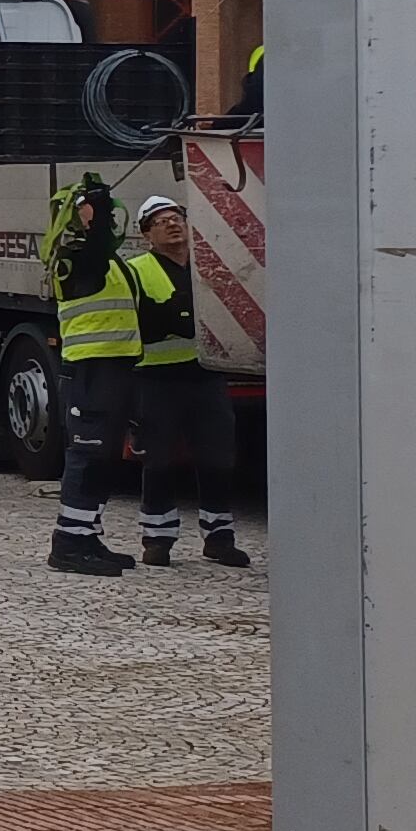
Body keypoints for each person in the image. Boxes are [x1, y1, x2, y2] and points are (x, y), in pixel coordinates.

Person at [129, 192, 249, 566]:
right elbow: (140, 322)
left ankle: (218, 536)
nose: (172, 223)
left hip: (206, 375)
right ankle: (157, 539)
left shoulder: (207, 268)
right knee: (159, 459)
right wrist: (175, 317)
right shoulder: (136, 271)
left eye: (176, 216)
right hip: (157, 379)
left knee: (218, 457)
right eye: (160, 220)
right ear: (147, 234)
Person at [48, 176, 148, 575]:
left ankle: (87, 533)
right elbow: (98, 249)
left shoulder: (106, 257)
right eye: (85, 207)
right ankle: (68, 542)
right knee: (87, 455)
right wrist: (100, 211)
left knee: (105, 457)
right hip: (89, 368)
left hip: (115, 366)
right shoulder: (73, 254)